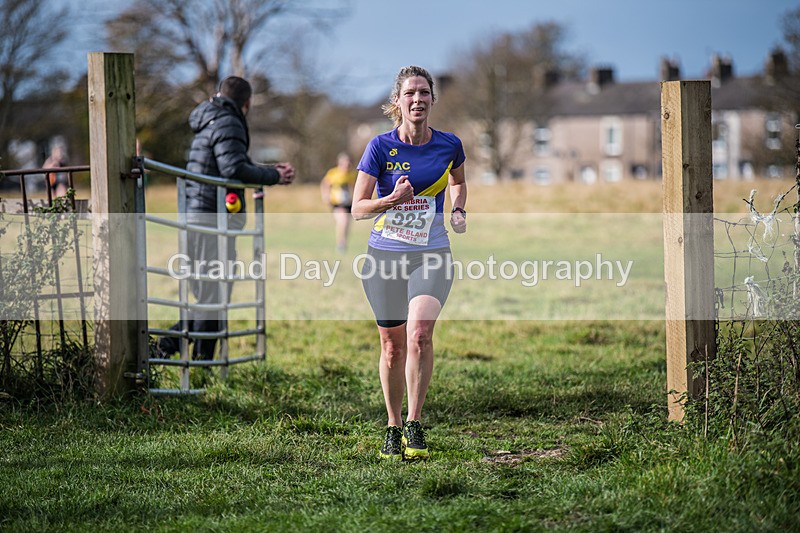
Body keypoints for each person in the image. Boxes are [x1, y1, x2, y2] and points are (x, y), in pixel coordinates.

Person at [351, 65, 467, 460]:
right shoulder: (380, 148)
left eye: (424, 93)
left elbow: (458, 182)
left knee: (419, 334)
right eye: (410, 94)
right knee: (392, 347)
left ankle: (415, 424)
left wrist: (458, 211)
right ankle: (393, 425)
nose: (417, 100)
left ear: (433, 98)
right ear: (397, 102)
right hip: (384, 256)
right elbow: (357, 209)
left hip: (431, 253)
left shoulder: (450, 145)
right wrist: (390, 201)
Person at [158, 76, 295, 361]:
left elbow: (229, 163)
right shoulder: (228, 121)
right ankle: (166, 346)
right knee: (214, 294)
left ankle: (203, 363)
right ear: (247, 103)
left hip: (201, 214)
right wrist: (274, 176)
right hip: (211, 217)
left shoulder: (211, 118)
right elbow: (233, 168)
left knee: (215, 292)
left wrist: (270, 171)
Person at [320, 152, 357, 253]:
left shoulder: (352, 174)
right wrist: (325, 196)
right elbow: (325, 184)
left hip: (349, 202)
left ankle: (343, 243)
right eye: (344, 163)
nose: (346, 166)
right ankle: (341, 244)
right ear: (339, 163)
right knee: (343, 221)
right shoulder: (333, 173)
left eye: (348, 163)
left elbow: (355, 187)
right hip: (337, 202)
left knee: (347, 224)